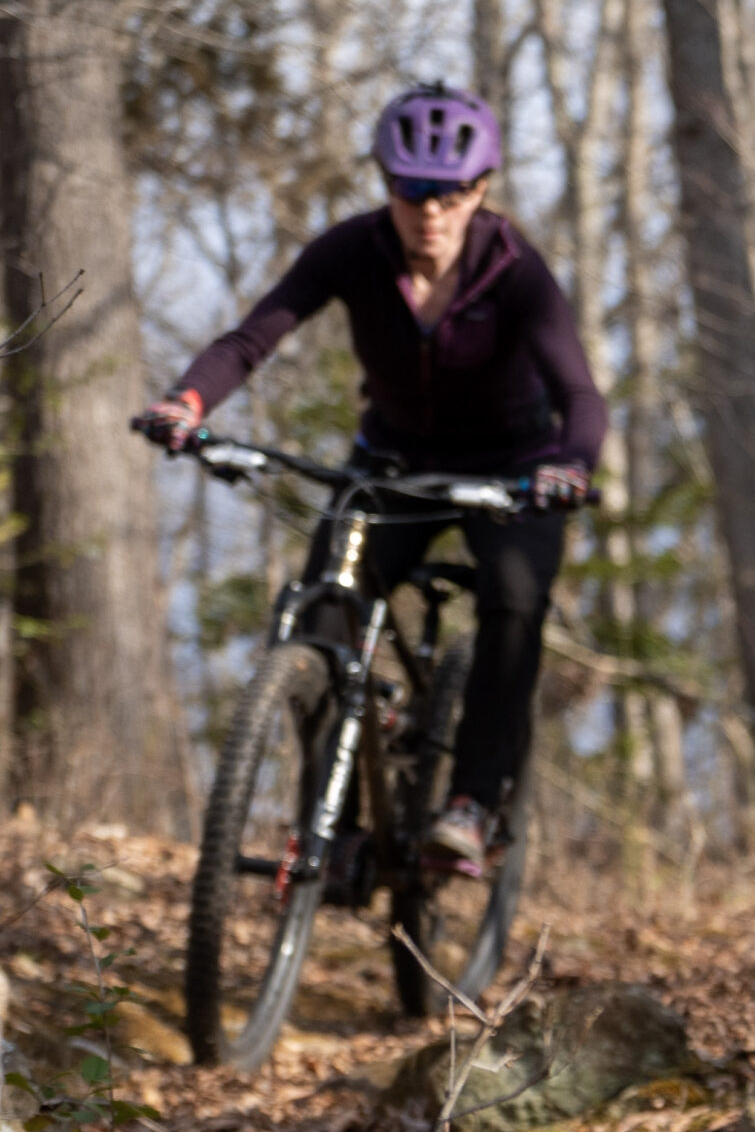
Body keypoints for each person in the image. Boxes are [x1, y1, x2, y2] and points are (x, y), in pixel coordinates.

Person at [140, 84, 606, 877]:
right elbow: (254, 337)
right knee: (322, 607)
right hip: (393, 463)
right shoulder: (352, 251)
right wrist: (187, 400)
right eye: (411, 191)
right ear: (387, 185)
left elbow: (579, 393)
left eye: (450, 194)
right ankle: (337, 816)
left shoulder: (515, 269)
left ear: (481, 189)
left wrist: (571, 464)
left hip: (514, 469)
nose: (430, 212)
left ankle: (473, 802)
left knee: (515, 600)